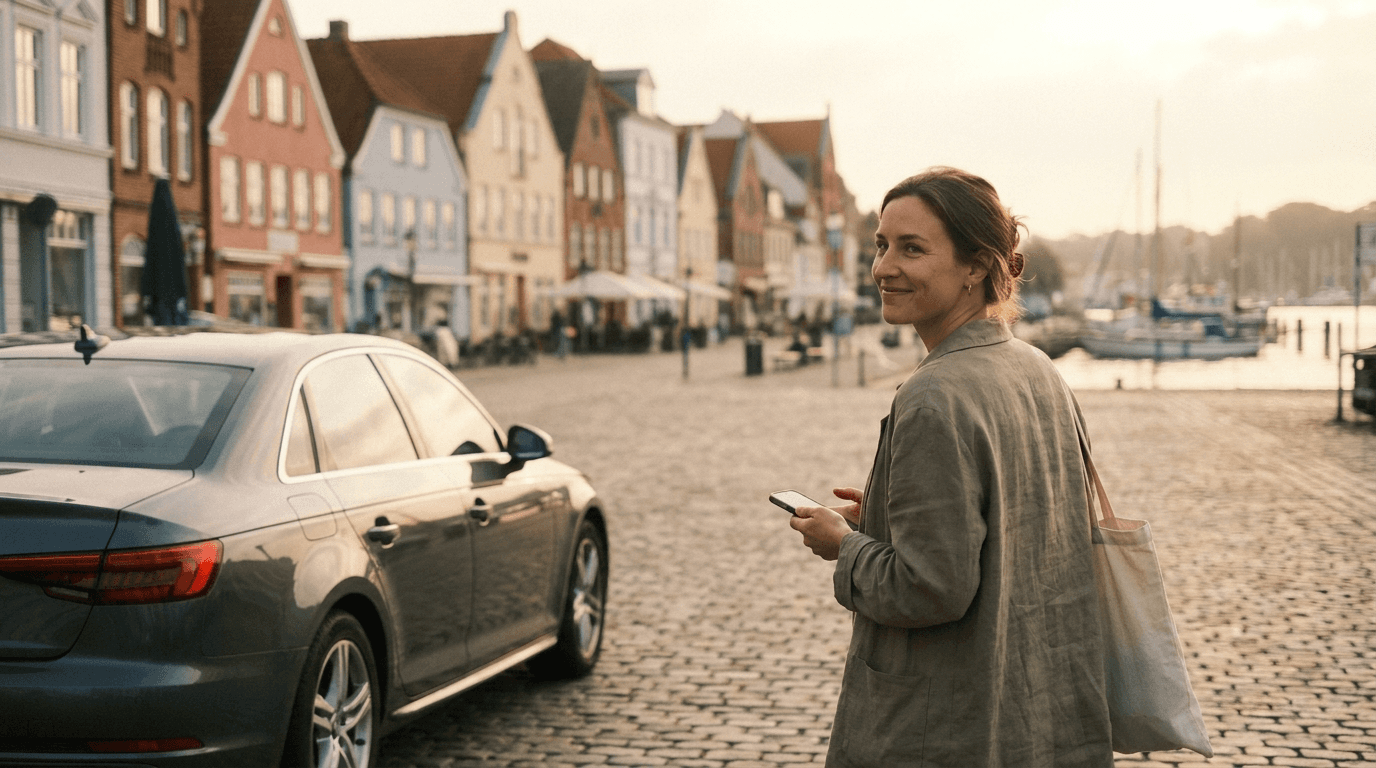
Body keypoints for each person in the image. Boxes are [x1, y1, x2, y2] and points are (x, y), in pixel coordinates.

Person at [789, 167, 1112, 766]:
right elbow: (1020, 522)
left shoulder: (934, 396)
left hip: (945, 728)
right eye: (881, 245)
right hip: (1038, 709)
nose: (883, 267)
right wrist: (885, 517)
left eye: (912, 248)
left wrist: (844, 546)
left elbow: (928, 589)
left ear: (976, 267)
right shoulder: (1039, 369)